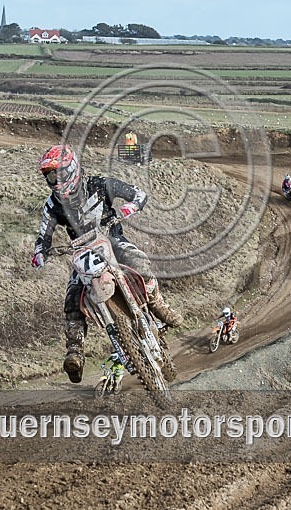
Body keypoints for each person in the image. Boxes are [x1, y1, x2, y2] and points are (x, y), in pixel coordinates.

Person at [31, 144, 183, 383]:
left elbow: (139, 194)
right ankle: (75, 353)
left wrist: (131, 206)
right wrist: (40, 253)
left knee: (139, 261)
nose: (55, 180)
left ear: (71, 169)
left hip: (113, 239)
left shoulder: (101, 185)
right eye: (50, 175)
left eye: (58, 173)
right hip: (83, 252)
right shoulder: (53, 205)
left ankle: (157, 305)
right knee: (72, 298)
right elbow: (43, 236)